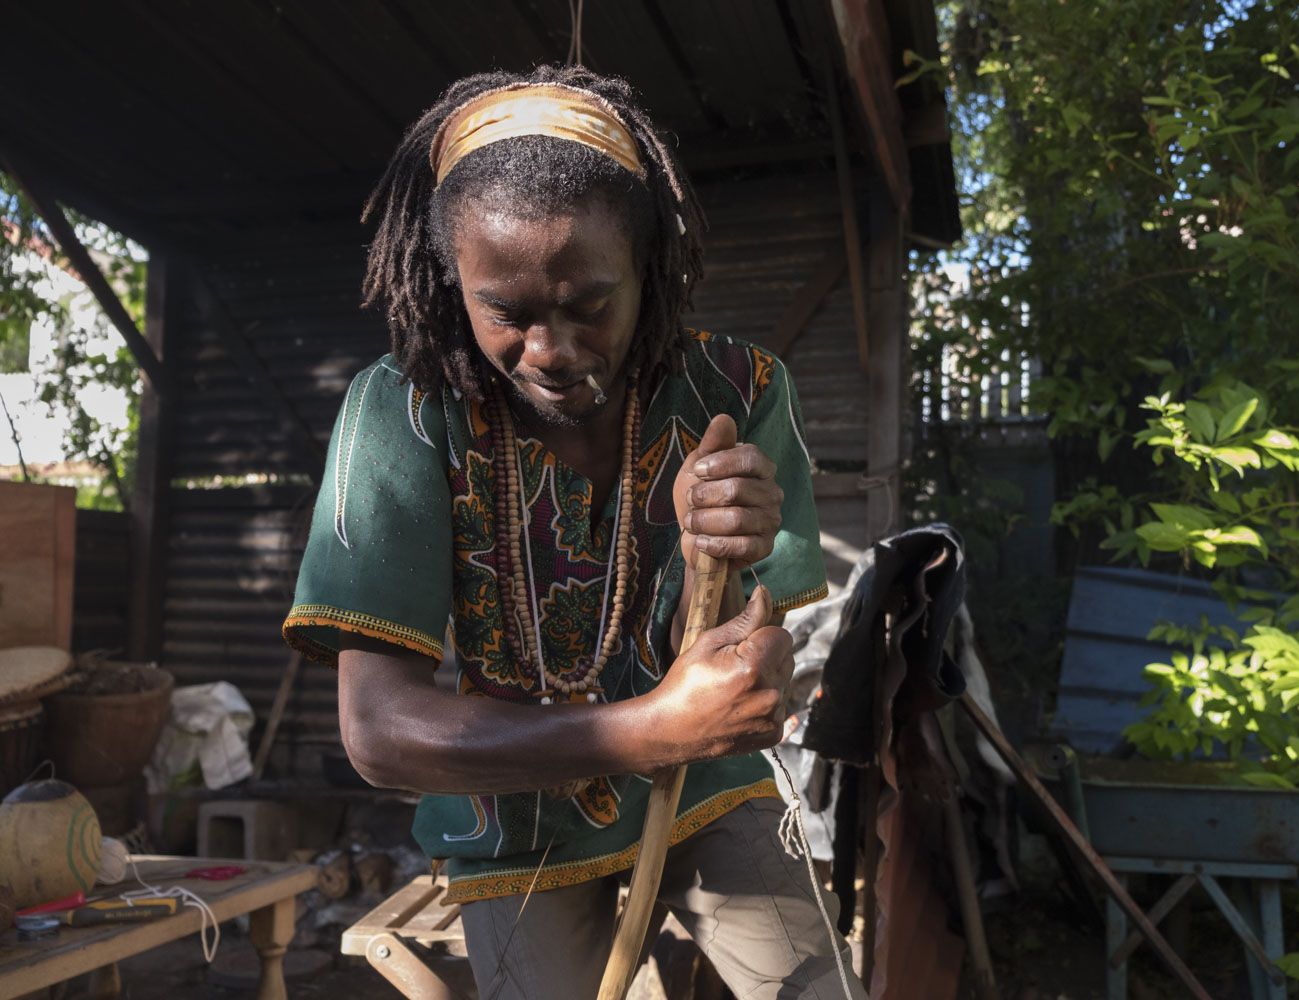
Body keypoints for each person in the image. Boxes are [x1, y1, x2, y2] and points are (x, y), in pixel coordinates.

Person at [282, 64, 864, 1000]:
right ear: (451, 282)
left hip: (708, 791)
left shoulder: (737, 395)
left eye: (590, 304)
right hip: (514, 819)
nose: (550, 352)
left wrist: (717, 555)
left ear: (649, 266)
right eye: (505, 312)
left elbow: (753, 674)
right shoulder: (403, 413)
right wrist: (646, 731)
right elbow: (381, 732)